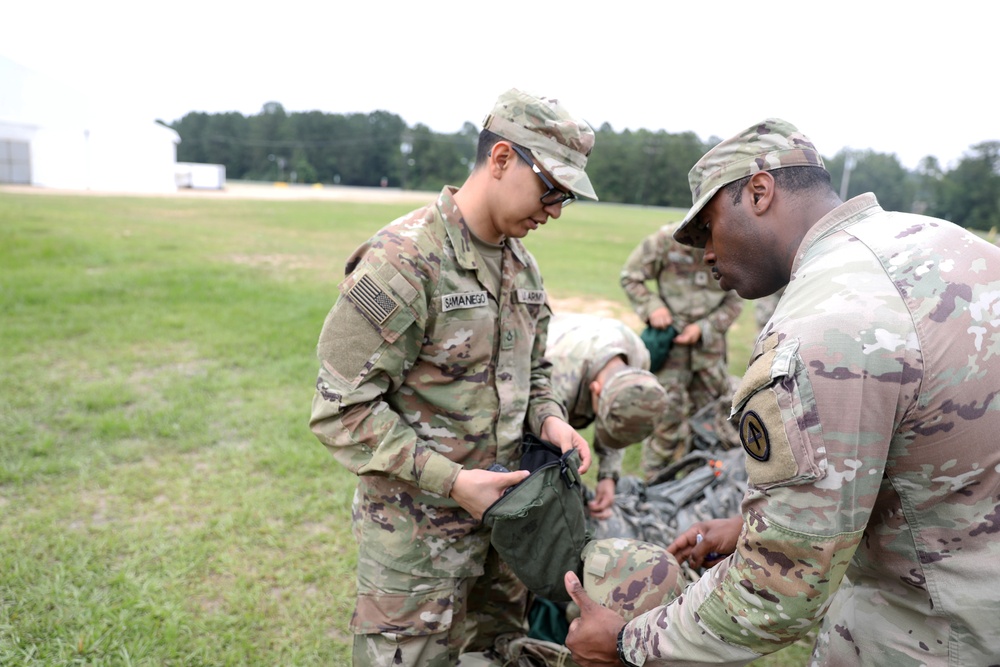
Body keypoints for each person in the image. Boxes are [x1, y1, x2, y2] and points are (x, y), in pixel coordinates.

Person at [563, 118, 1000, 665]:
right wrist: (753, 525)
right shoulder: (950, 245)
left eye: (708, 228)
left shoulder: (820, 328)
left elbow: (779, 591)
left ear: (760, 191)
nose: (706, 255)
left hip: (930, 636)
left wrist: (626, 642)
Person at [309, 88, 598, 666]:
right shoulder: (405, 259)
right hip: (417, 547)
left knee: (496, 655)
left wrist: (551, 419)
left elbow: (534, 369)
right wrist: (451, 481)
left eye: (567, 196)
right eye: (552, 189)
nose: (556, 210)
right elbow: (341, 408)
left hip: (507, 534)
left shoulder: (522, 264)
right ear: (501, 160)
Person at [620, 221, 743, 480]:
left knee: (709, 420)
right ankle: (654, 486)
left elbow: (736, 298)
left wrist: (704, 328)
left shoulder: (730, 242)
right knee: (665, 421)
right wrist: (652, 307)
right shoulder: (666, 240)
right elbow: (631, 277)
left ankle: (699, 483)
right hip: (670, 352)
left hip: (708, 354)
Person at [545, 312, 670, 518]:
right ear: (595, 389)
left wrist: (608, 477)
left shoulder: (638, 357)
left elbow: (620, 414)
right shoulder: (557, 378)